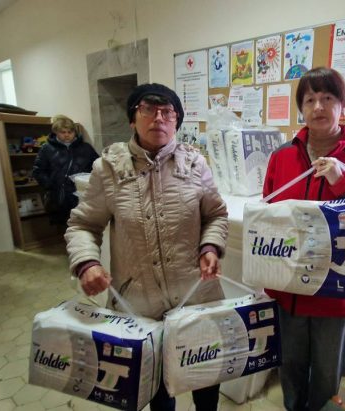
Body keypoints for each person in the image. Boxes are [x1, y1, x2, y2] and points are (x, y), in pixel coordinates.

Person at [64, 83, 228, 411]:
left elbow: (215, 215)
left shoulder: (195, 164)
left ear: (177, 121)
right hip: (138, 303)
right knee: (156, 389)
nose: (159, 118)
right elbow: (83, 224)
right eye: (148, 110)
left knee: (205, 377)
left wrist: (210, 246)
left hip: (196, 297)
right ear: (132, 119)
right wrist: (87, 263)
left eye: (168, 112)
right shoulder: (107, 169)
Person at [262, 67, 345, 411]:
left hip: (338, 289)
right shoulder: (281, 156)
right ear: (301, 109)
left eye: (327, 98)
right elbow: (269, 212)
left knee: (326, 371)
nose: (318, 106)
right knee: (289, 365)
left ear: (342, 105)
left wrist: (340, 180)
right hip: (289, 287)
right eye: (310, 100)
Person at [32, 115, 98, 225]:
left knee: (85, 227)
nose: (67, 135)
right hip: (58, 197)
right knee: (63, 227)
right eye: (63, 132)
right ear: (56, 132)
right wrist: (51, 186)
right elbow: (38, 171)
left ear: (74, 132)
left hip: (83, 196)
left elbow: (98, 166)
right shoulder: (46, 149)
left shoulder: (86, 148)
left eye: (70, 132)